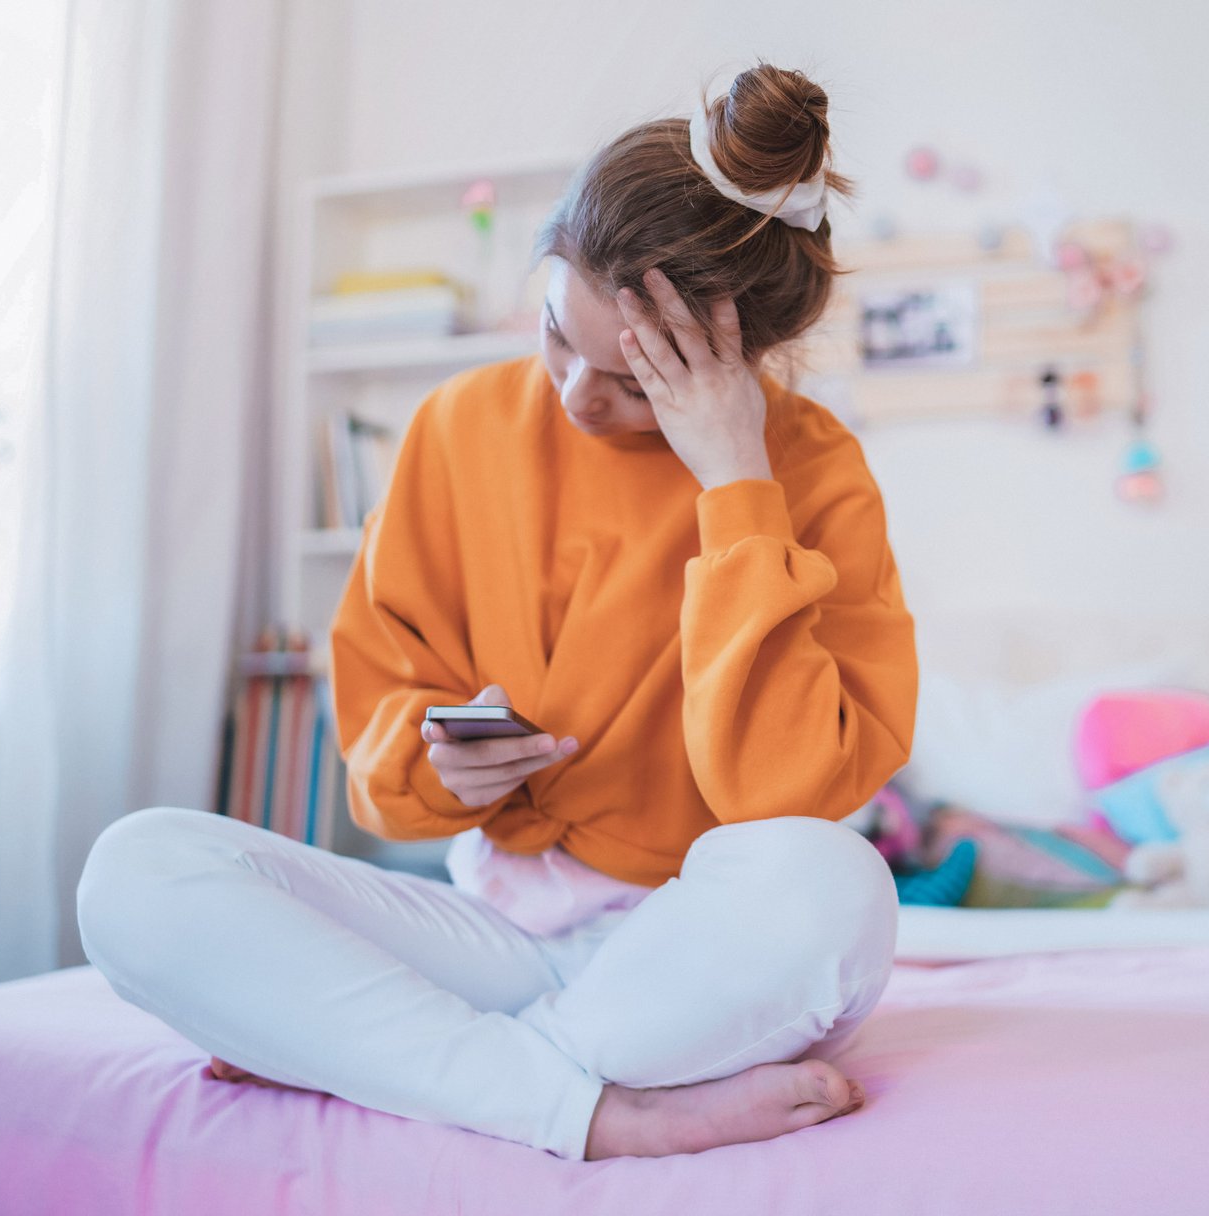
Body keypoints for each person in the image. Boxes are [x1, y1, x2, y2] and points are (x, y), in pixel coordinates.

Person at [76, 60, 918, 1162]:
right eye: (558, 335)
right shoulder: (458, 426)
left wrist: (735, 485)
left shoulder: (812, 468)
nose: (576, 396)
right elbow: (382, 744)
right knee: (138, 869)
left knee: (837, 884)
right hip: (490, 936)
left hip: (700, 961)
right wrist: (442, 767)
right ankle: (597, 1109)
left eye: (636, 382)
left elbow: (786, 800)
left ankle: (405, 1061)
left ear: (739, 359)